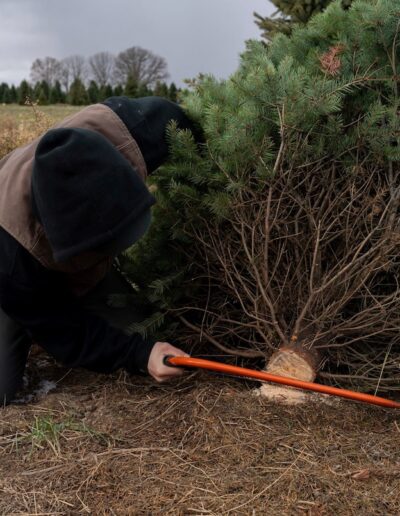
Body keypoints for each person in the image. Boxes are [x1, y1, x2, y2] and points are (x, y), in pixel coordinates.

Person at [0, 96, 199, 405]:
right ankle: (18, 318)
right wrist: (140, 355)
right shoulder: (11, 259)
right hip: (14, 268)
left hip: (62, 260)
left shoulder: (131, 130)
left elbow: (197, 129)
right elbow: (69, 335)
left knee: (146, 328)